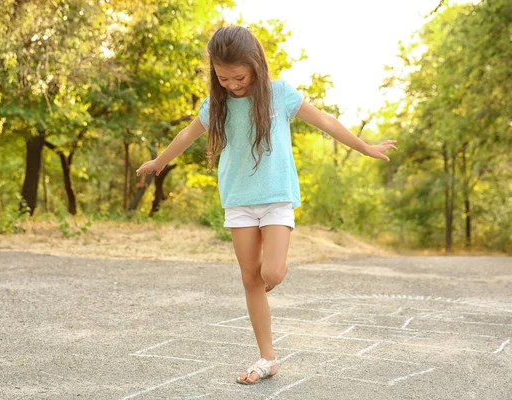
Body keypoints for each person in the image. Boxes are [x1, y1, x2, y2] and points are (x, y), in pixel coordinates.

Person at [136, 26, 398, 385]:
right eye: (223, 77)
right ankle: (267, 359)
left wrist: (365, 147)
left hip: (276, 198)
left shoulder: (280, 95)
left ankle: (274, 278)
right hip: (239, 201)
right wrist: (159, 161)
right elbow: (187, 135)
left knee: (271, 274)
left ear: (256, 65)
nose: (232, 84)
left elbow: (326, 121)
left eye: (239, 76)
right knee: (250, 279)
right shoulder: (217, 105)